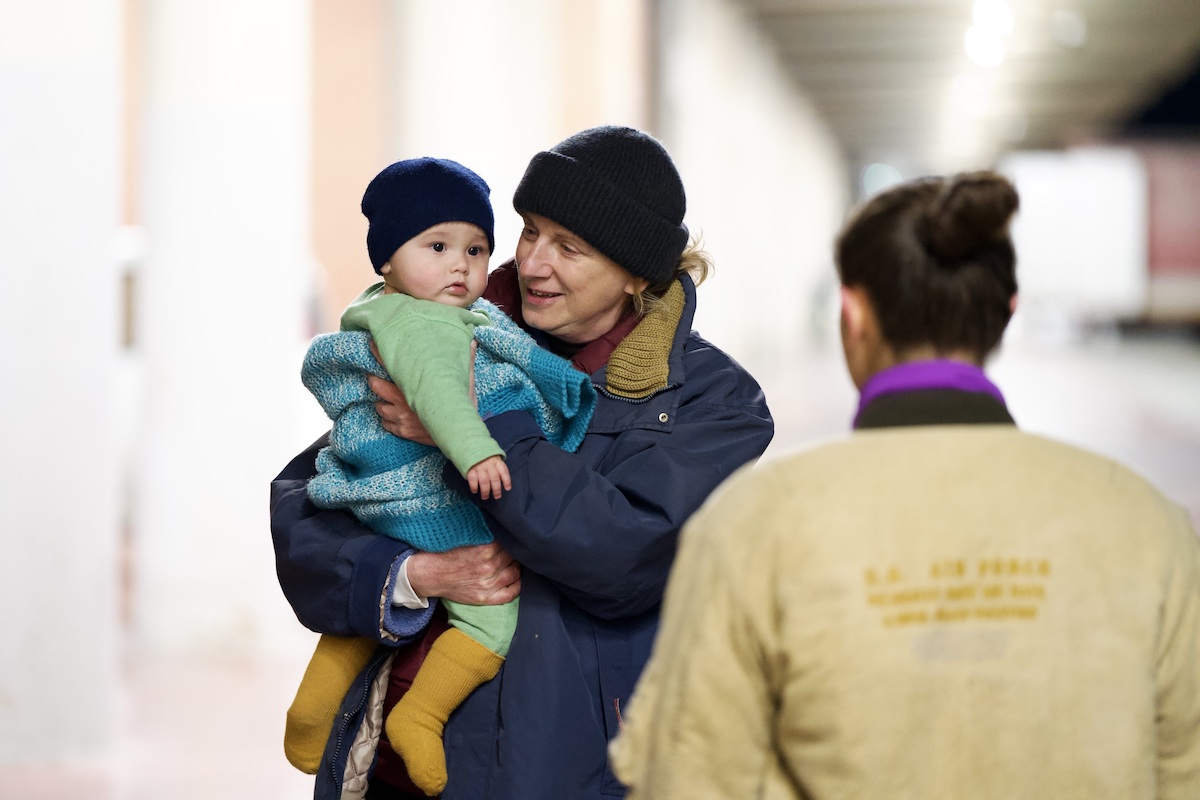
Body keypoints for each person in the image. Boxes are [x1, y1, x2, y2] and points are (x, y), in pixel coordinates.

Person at [609, 170, 1200, 799]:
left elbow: (688, 777)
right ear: (1005, 314)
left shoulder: (754, 524)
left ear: (854, 313)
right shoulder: (1145, 523)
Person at [269, 125, 776, 799]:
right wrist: (406, 574)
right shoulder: (441, 324)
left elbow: (621, 556)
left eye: (569, 247)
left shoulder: (714, 404)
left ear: (635, 276)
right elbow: (309, 503)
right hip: (391, 763)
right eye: (531, 231)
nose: (534, 263)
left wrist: (470, 425)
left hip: (557, 772)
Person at [283, 157, 597, 795]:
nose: (463, 265)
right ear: (387, 260)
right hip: (428, 492)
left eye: (477, 249)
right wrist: (479, 450)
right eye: (438, 246)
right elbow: (441, 394)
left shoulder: (425, 310)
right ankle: (421, 715)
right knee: (491, 618)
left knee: (365, 617)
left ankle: (310, 713)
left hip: (386, 501)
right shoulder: (419, 325)